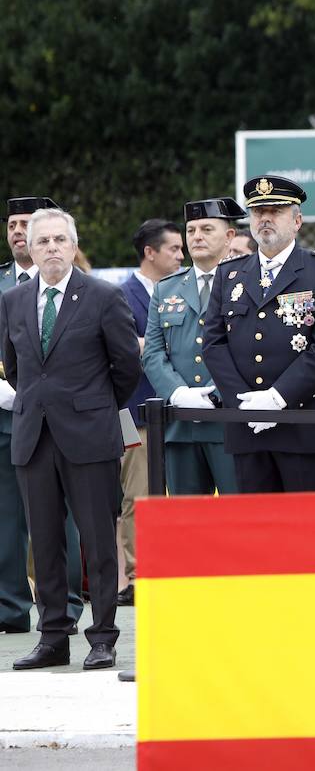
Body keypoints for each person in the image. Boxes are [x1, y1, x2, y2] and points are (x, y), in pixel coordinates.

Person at [2, 208, 141, 671]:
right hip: (33, 436)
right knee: (44, 544)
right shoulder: (14, 301)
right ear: (31, 248)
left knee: (98, 542)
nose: (52, 249)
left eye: (61, 240)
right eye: (43, 242)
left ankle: (102, 637)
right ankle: (54, 636)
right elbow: (17, 368)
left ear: (73, 244)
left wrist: (92, 407)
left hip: (89, 435)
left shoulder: (103, 296)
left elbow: (126, 368)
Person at [202, 175, 315, 493]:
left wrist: (276, 398)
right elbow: (214, 343)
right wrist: (244, 402)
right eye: (257, 211)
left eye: (275, 210)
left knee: (305, 530)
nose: (265, 218)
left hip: (303, 424)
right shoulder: (229, 273)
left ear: (297, 221)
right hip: (247, 425)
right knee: (255, 532)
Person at [0, 197, 84, 636]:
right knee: (7, 517)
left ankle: (65, 606)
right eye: (12, 225)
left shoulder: (81, 286)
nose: (17, 232)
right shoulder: (2, 286)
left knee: (60, 517)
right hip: (6, 415)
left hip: (63, 418)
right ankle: (10, 607)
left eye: (25, 225)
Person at [142, 198, 245, 496]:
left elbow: (253, 350)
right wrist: (178, 393)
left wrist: (213, 395)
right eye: (191, 229)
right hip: (180, 425)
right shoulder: (167, 287)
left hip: (230, 421)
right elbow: (153, 352)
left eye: (206, 228)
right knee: (186, 524)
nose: (196, 236)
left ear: (228, 237)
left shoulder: (250, 283)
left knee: (237, 519)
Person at [116, 219, 183, 606]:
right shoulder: (122, 296)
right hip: (134, 412)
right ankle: (140, 573)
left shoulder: (181, 291)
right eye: (173, 248)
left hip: (175, 410)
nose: (180, 255)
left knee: (176, 490)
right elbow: (123, 350)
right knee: (138, 492)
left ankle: (174, 565)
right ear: (150, 252)